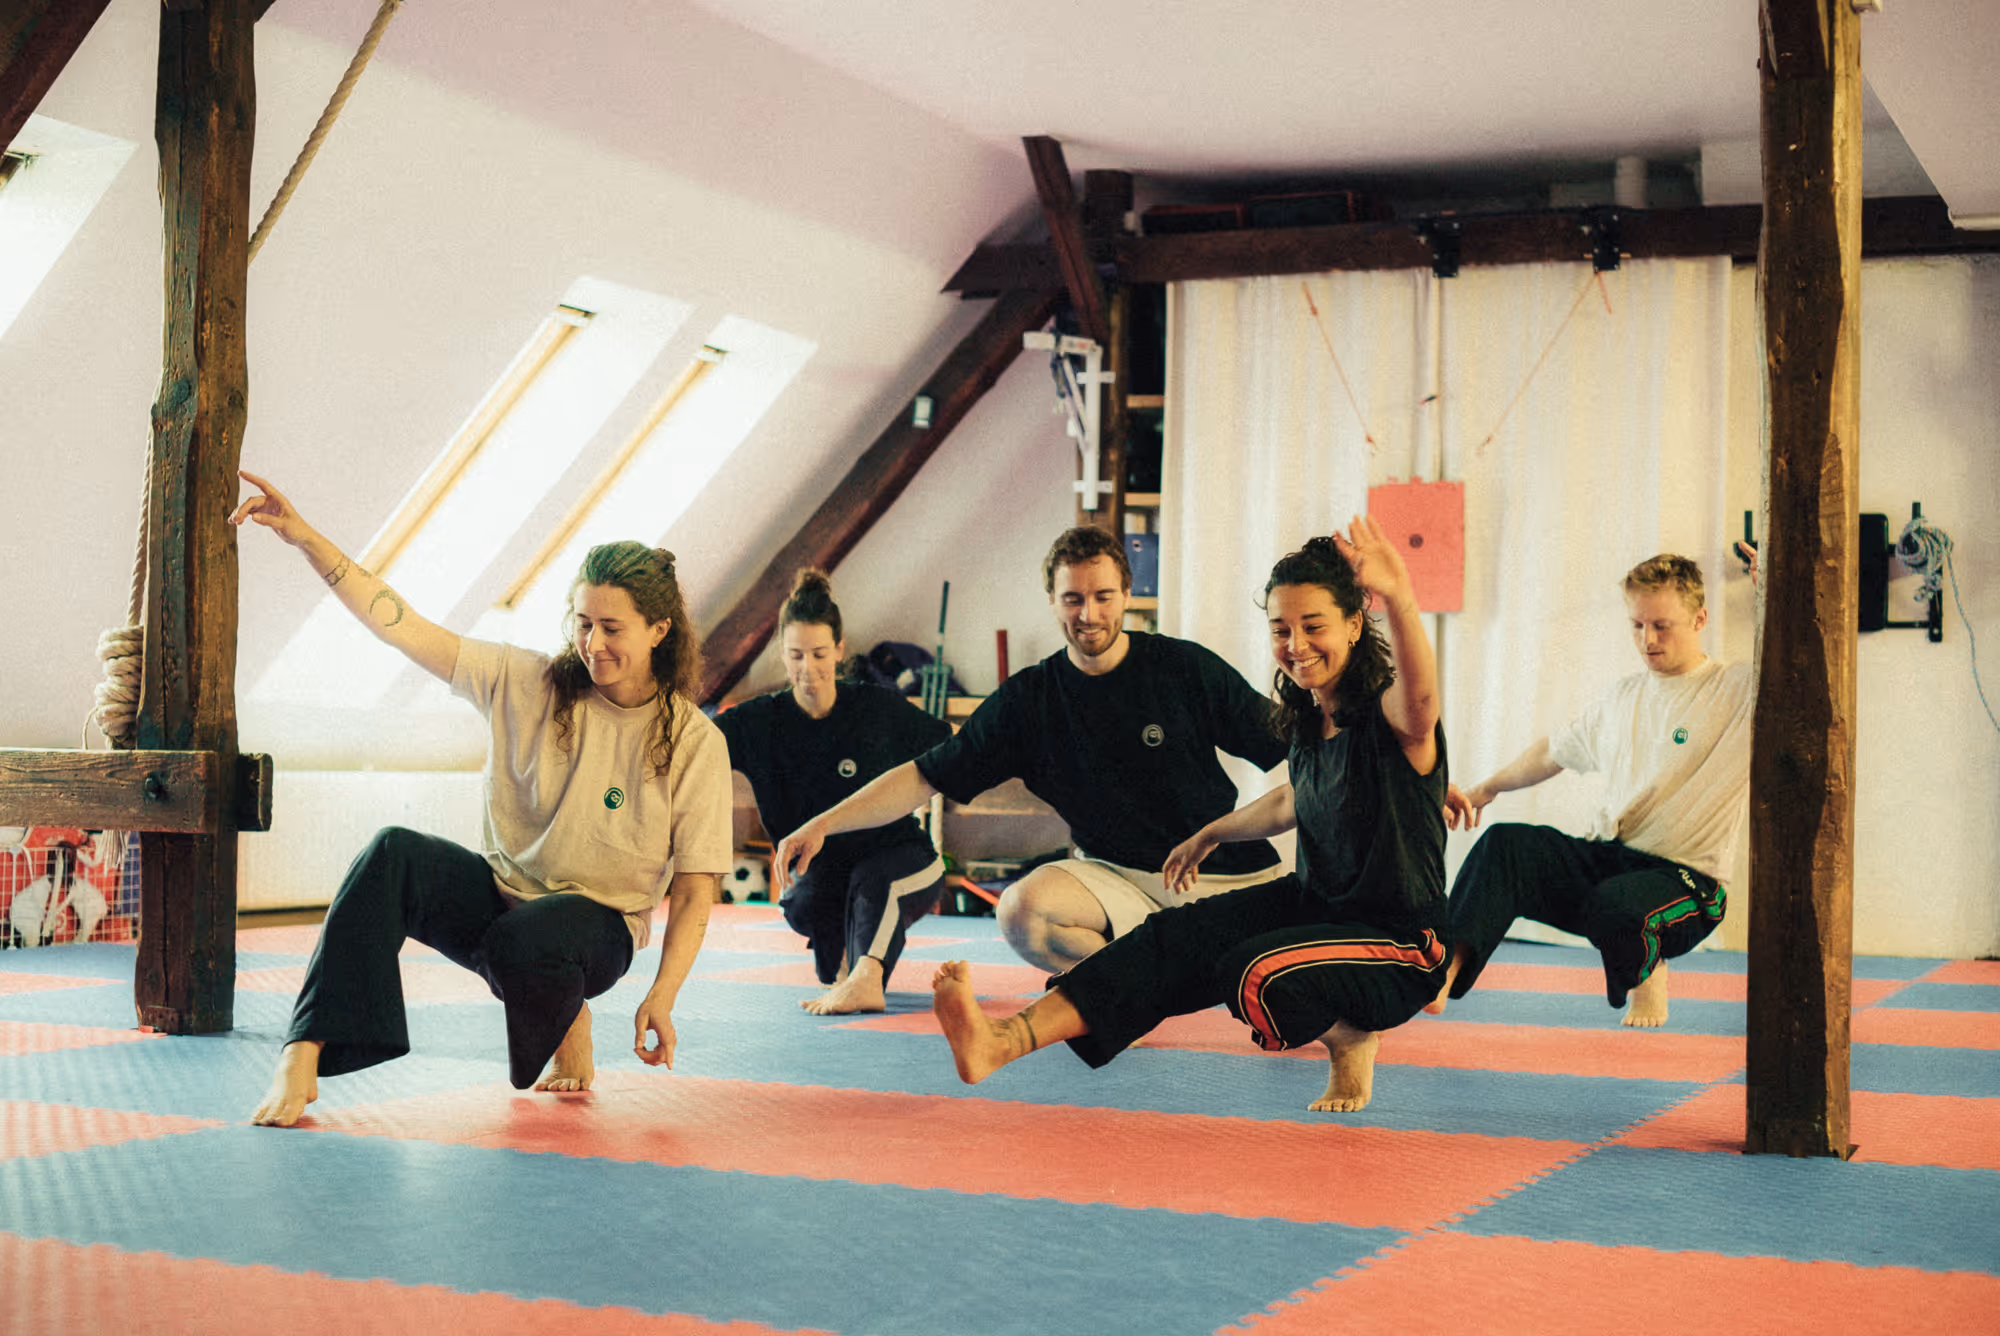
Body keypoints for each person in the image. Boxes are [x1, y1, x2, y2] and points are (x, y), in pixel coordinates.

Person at [232, 470, 731, 1126]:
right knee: (392, 855)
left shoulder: (691, 741)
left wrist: (663, 996)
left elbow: (696, 888)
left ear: (660, 630)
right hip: (502, 904)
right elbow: (402, 625)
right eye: (583, 623)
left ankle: (566, 1008)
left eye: (614, 628)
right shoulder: (522, 680)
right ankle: (304, 1050)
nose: (594, 644)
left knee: (527, 942)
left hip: (597, 930)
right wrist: (305, 539)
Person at [930, 518, 1447, 1114]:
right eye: (1281, 629)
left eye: (1314, 626)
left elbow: (1422, 701)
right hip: (1316, 904)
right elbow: (1294, 798)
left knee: (1250, 972)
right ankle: (1003, 1039)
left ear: (1355, 624)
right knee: (1173, 937)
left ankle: (1352, 1035)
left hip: (1398, 941)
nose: (1296, 644)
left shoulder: (1394, 717)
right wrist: (1210, 833)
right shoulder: (1310, 717)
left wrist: (1403, 598)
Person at [772, 526, 1288, 973]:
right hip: (1117, 884)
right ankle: (1143, 982)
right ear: (1051, 600)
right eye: (1073, 599)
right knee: (1021, 911)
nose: (1089, 614)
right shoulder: (1029, 701)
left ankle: (1166, 969)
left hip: (1222, 877)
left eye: (1103, 596)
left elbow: (1292, 741)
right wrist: (823, 823)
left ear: (1127, 594)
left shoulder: (1183, 668)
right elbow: (924, 776)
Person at [1429, 552, 1753, 1028]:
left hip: (1687, 887)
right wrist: (1485, 789)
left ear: (1700, 618)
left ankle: (1649, 966)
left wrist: (1773, 585)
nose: (1648, 640)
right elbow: (1551, 753)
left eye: (1663, 625)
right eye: (1637, 625)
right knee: (1506, 846)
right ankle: (1446, 971)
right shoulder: (1624, 697)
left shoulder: (1736, 689)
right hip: (1611, 863)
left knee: (1617, 906)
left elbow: (1793, 655)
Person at [717, 568, 952, 1014]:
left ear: (840, 650)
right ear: (783, 656)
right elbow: (690, 748)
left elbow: (955, 747)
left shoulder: (876, 708)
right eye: (796, 655)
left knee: (874, 882)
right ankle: (855, 964)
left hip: (906, 860)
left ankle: (867, 977)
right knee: (800, 905)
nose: (809, 669)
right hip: (828, 875)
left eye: (820, 654)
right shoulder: (758, 722)